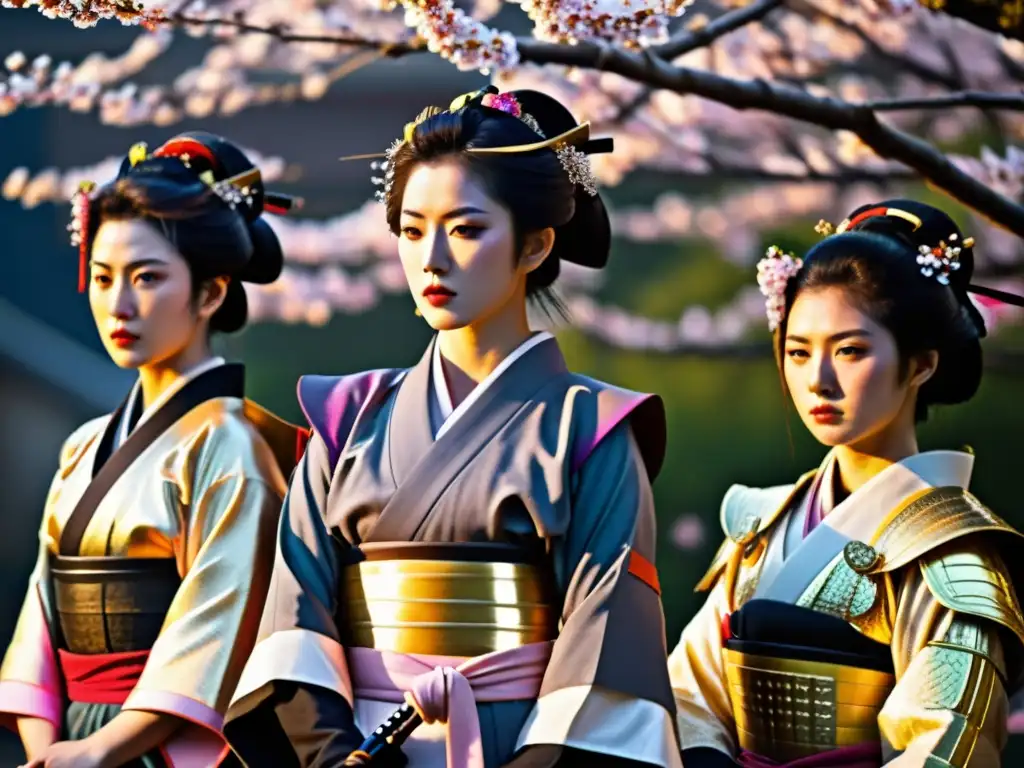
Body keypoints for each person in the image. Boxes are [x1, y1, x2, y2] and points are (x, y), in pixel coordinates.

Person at [222, 87, 680, 768]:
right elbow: (296, 618)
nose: (431, 257)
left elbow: (605, 647)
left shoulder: (593, 430)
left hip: (522, 745)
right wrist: (332, 755)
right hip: (363, 749)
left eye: (465, 229)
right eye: (411, 230)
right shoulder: (348, 418)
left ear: (535, 245)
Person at [668, 200, 1024, 768]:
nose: (819, 381)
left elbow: (948, 743)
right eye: (799, 352)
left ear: (921, 364)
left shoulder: (952, 555)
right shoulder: (762, 526)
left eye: (851, 351)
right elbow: (687, 694)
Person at [0, 132, 307, 768]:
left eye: (147, 277)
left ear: (211, 292)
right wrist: (46, 746)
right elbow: (41, 609)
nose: (119, 304)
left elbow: (218, 628)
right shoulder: (84, 445)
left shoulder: (232, 446)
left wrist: (103, 750)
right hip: (70, 741)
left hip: (158, 744)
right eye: (105, 276)